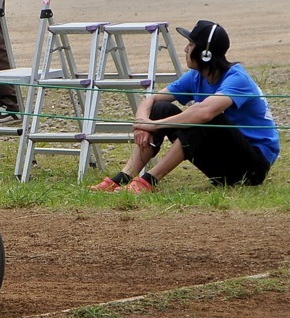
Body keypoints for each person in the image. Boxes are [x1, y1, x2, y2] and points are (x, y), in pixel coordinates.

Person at [90, 21, 280, 194]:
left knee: (205, 116)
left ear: (205, 54)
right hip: (222, 165)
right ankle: (124, 177)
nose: (185, 49)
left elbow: (205, 113)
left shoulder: (237, 78)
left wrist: (154, 126)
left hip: (252, 167)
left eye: (190, 45)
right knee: (161, 108)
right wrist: (142, 123)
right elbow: (153, 99)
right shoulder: (196, 76)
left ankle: (148, 181)